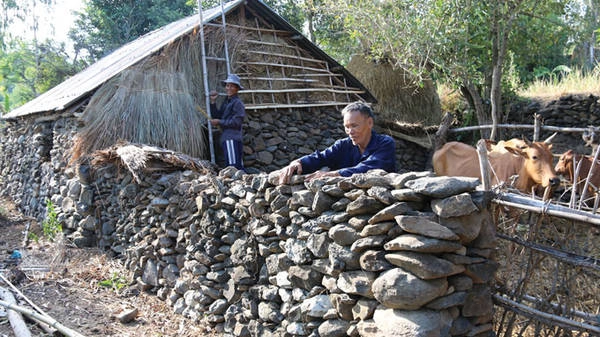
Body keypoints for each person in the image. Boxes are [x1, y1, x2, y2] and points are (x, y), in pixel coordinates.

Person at [278, 101, 396, 184]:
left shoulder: (385, 143)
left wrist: (334, 174)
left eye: (354, 126)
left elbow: (370, 168)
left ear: (370, 123)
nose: (350, 132)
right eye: (347, 127)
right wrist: (298, 163)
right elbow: (321, 157)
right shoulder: (343, 145)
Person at [209, 74, 246, 171]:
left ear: (237, 89)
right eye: (227, 86)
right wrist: (213, 102)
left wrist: (220, 122)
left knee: (232, 167)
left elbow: (237, 122)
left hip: (232, 138)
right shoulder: (227, 102)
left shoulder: (237, 103)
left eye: (232, 86)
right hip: (227, 137)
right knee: (235, 166)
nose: (229, 88)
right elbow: (218, 116)